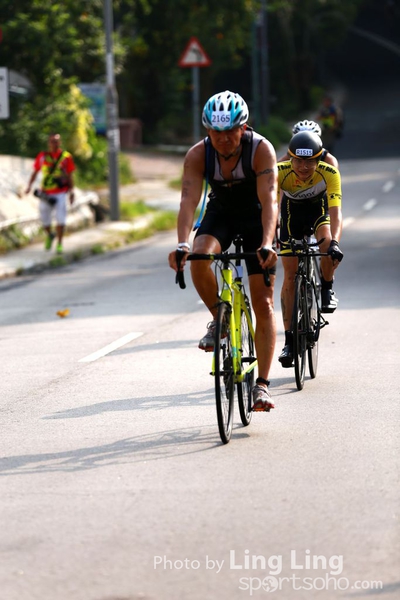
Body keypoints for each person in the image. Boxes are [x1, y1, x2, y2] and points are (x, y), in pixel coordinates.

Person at [168, 90, 278, 411]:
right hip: (222, 214)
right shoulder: (198, 155)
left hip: (257, 217)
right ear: (207, 130)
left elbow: (270, 200)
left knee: (263, 303)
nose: (223, 139)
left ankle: (261, 386)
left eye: (230, 131)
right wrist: (182, 243)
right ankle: (220, 316)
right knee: (200, 256)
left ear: (243, 128)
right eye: (216, 132)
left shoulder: (261, 150)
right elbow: (188, 201)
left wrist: (268, 242)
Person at [277, 130, 344, 368]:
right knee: (289, 276)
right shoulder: (279, 171)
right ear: (290, 158)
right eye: (298, 161)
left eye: (309, 162)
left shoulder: (329, 172)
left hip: (318, 211)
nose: (304, 167)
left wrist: (335, 242)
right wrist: (269, 236)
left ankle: (326, 288)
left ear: (318, 159)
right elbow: (270, 204)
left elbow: (335, 211)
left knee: (326, 243)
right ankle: (289, 341)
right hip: (291, 215)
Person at [25, 133, 75, 254]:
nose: (54, 144)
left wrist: (72, 191)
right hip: (45, 193)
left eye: (56, 141)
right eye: (52, 141)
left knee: (60, 219)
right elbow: (35, 172)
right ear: (49, 143)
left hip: (60, 192)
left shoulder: (66, 157)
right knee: (44, 219)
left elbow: (70, 175)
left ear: (60, 142)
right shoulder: (43, 156)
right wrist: (29, 186)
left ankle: (59, 244)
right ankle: (50, 235)